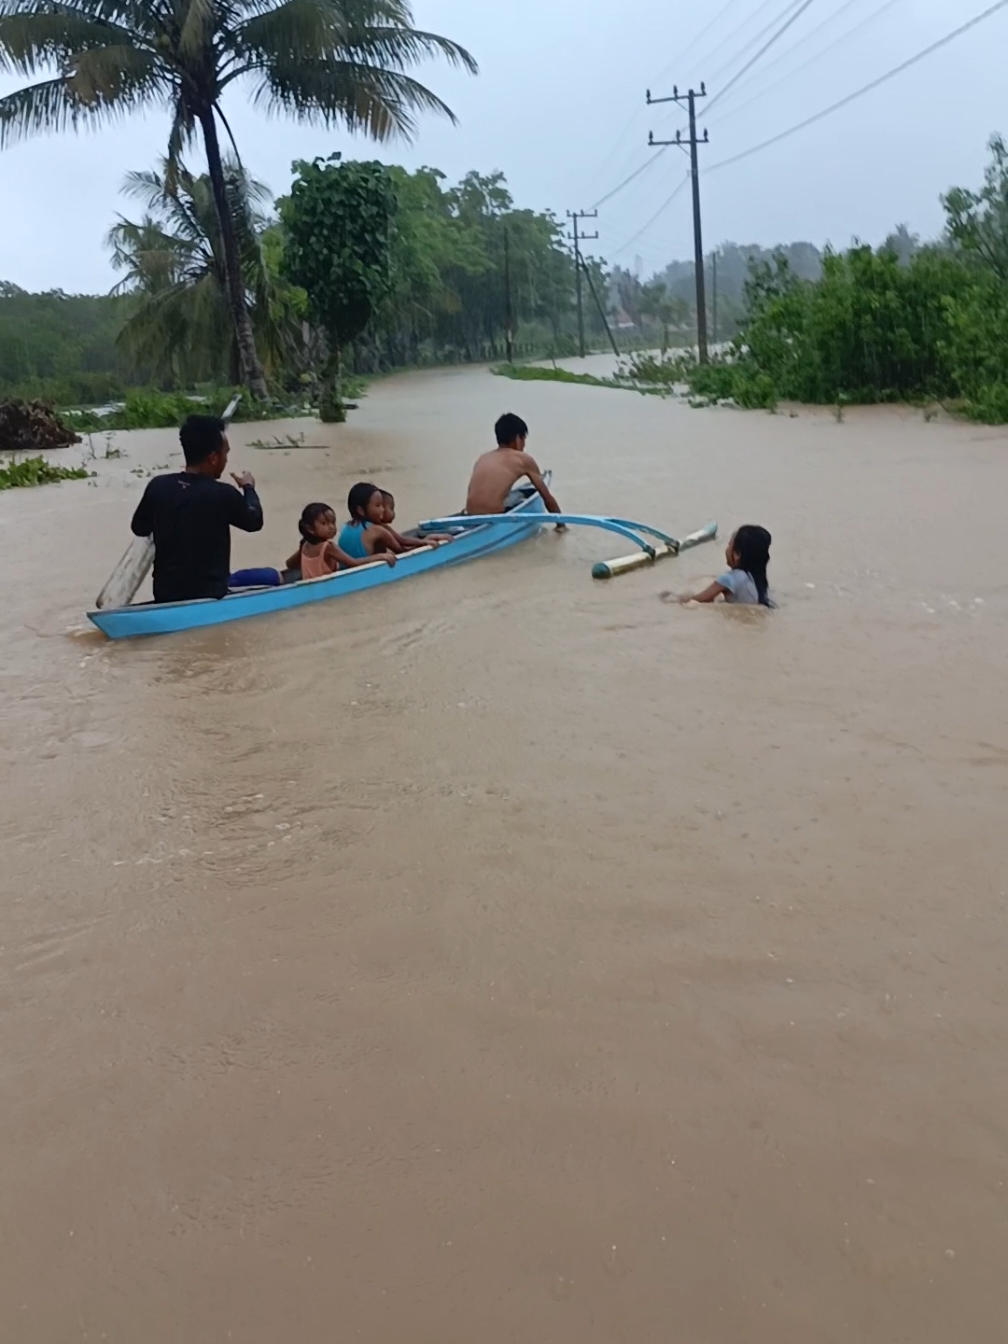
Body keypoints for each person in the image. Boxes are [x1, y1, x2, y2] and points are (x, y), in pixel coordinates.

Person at [130, 414, 263, 603]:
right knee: (271, 576)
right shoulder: (223, 494)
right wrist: (248, 488)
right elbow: (254, 521)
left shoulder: (158, 486)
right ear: (213, 458)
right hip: (211, 595)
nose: (226, 460)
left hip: (165, 596)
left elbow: (139, 528)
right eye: (226, 453)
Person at [465, 413, 564, 524]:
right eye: (524, 439)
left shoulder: (483, 458)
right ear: (518, 439)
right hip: (495, 516)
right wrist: (561, 525)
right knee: (520, 497)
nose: (524, 445)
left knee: (511, 495)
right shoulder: (523, 459)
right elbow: (547, 498)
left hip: (470, 515)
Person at [284, 502, 395, 578]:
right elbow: (354, 563)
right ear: (310, 529)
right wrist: (380, 557)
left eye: (333, 522)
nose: (331, 527)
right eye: (324, 523)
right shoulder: (328, 547)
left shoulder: (305, 546)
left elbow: (289, 564)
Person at [674, 525, 773, 606]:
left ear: (737, 555)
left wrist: (672, 600)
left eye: (729, 545)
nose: (727, 549)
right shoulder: (758, 579)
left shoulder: (728, 579)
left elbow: (699, 600)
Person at [337, 483, 405, 565]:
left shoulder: (344, 527)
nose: (382, 509)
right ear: (360, 510)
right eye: (378, 505)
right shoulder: (377, 530)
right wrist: (423, 542)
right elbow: (401, 550)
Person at [379, 490, 454, 550]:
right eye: (391, 509)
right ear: (381, 509)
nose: (393, 513)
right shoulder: (381, 528)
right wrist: (425, 541)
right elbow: (403, 542)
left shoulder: (373, 526)